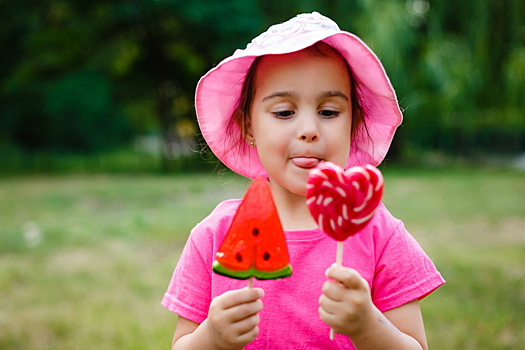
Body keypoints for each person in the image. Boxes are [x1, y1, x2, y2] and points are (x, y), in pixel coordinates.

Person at [162, 12, 445, 350]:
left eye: (328, 112)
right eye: (284, 112)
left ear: (353, 125)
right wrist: (210, 338)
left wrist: (369, 327)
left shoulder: (380, 233)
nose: (309, 130)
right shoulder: (213, 237)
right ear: (249, 127)